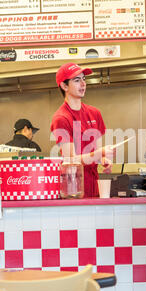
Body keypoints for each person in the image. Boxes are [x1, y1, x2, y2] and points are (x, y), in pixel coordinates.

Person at [50, 62, 114, 197]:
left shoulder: (94, 113)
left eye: (84, 79)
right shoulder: (61, 118)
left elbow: (97, 152)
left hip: (95, 185)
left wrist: (103, 160)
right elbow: (70, 160)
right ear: (64, 85)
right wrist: (98, 154)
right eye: (77, 80)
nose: (83, 84)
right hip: (74, 189)